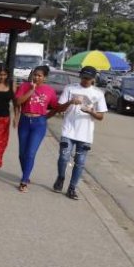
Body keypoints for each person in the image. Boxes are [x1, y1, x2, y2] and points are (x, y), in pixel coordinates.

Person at [51, 66, 108, 200]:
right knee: (64, 157)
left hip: (85, 134)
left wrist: (91, 112)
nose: (85, 80)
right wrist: (71, 101)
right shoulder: (70, 88)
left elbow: (101, 116)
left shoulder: (98, 93)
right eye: (83, 77)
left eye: (88, 78)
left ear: (94, 79)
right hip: (68, 130)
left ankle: (72, 188)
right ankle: (61, 177)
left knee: (80, 162)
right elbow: (59, 108)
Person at [13, 64, 60, 192]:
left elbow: (55, 107)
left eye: (39, 75)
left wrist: (45, 117)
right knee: (22, 154)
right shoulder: (24, 86)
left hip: (39, 123)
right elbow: (17, 102)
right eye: (35, 74)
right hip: (24, 121)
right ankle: (26, 175)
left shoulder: (49, 90)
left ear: (44, 78)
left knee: (30, 153)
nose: (36, 77)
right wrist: (31, 91)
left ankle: (24, 180)